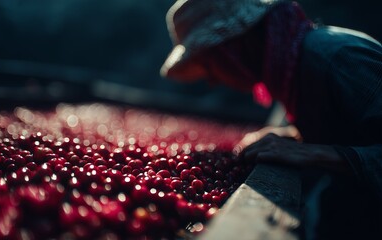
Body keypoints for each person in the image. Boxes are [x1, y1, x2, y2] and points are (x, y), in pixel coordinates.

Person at [160, 0, 382, 239]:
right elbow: (352, 129)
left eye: (210, 66)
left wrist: (311, 153)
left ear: (234, 47)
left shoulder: (339, 58)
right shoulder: (290, 70)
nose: (213, 81)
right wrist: (291, 136)